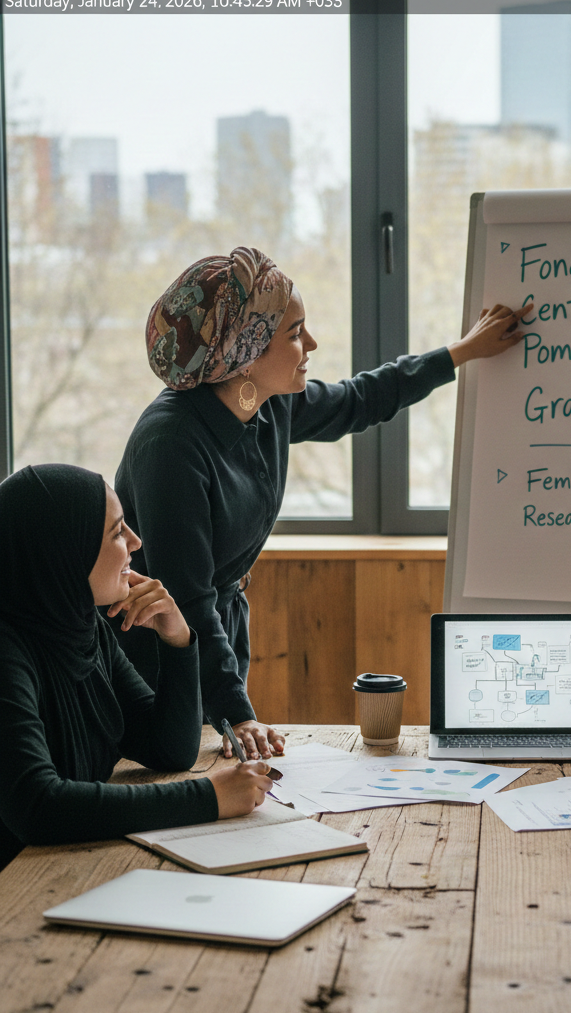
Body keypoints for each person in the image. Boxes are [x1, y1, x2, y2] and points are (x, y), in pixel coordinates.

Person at [113, 247, 531, 761]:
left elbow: (361, 400)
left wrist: (462, 352)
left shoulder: (263, 401)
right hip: (156, 659)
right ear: (246, 351)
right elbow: (190, 598)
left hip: (217, 637)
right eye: (294, 333)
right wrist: (240, 713)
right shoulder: (170, 447)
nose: (311, 344)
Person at [0, 464, 278, 870]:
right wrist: (206, 797)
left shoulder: (82, 626)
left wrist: (177, 638)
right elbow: (39, 807)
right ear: (64, 548)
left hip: (63, 866)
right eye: (116, 532)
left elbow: (170, 749)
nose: (135, 541)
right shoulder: (7, 651)